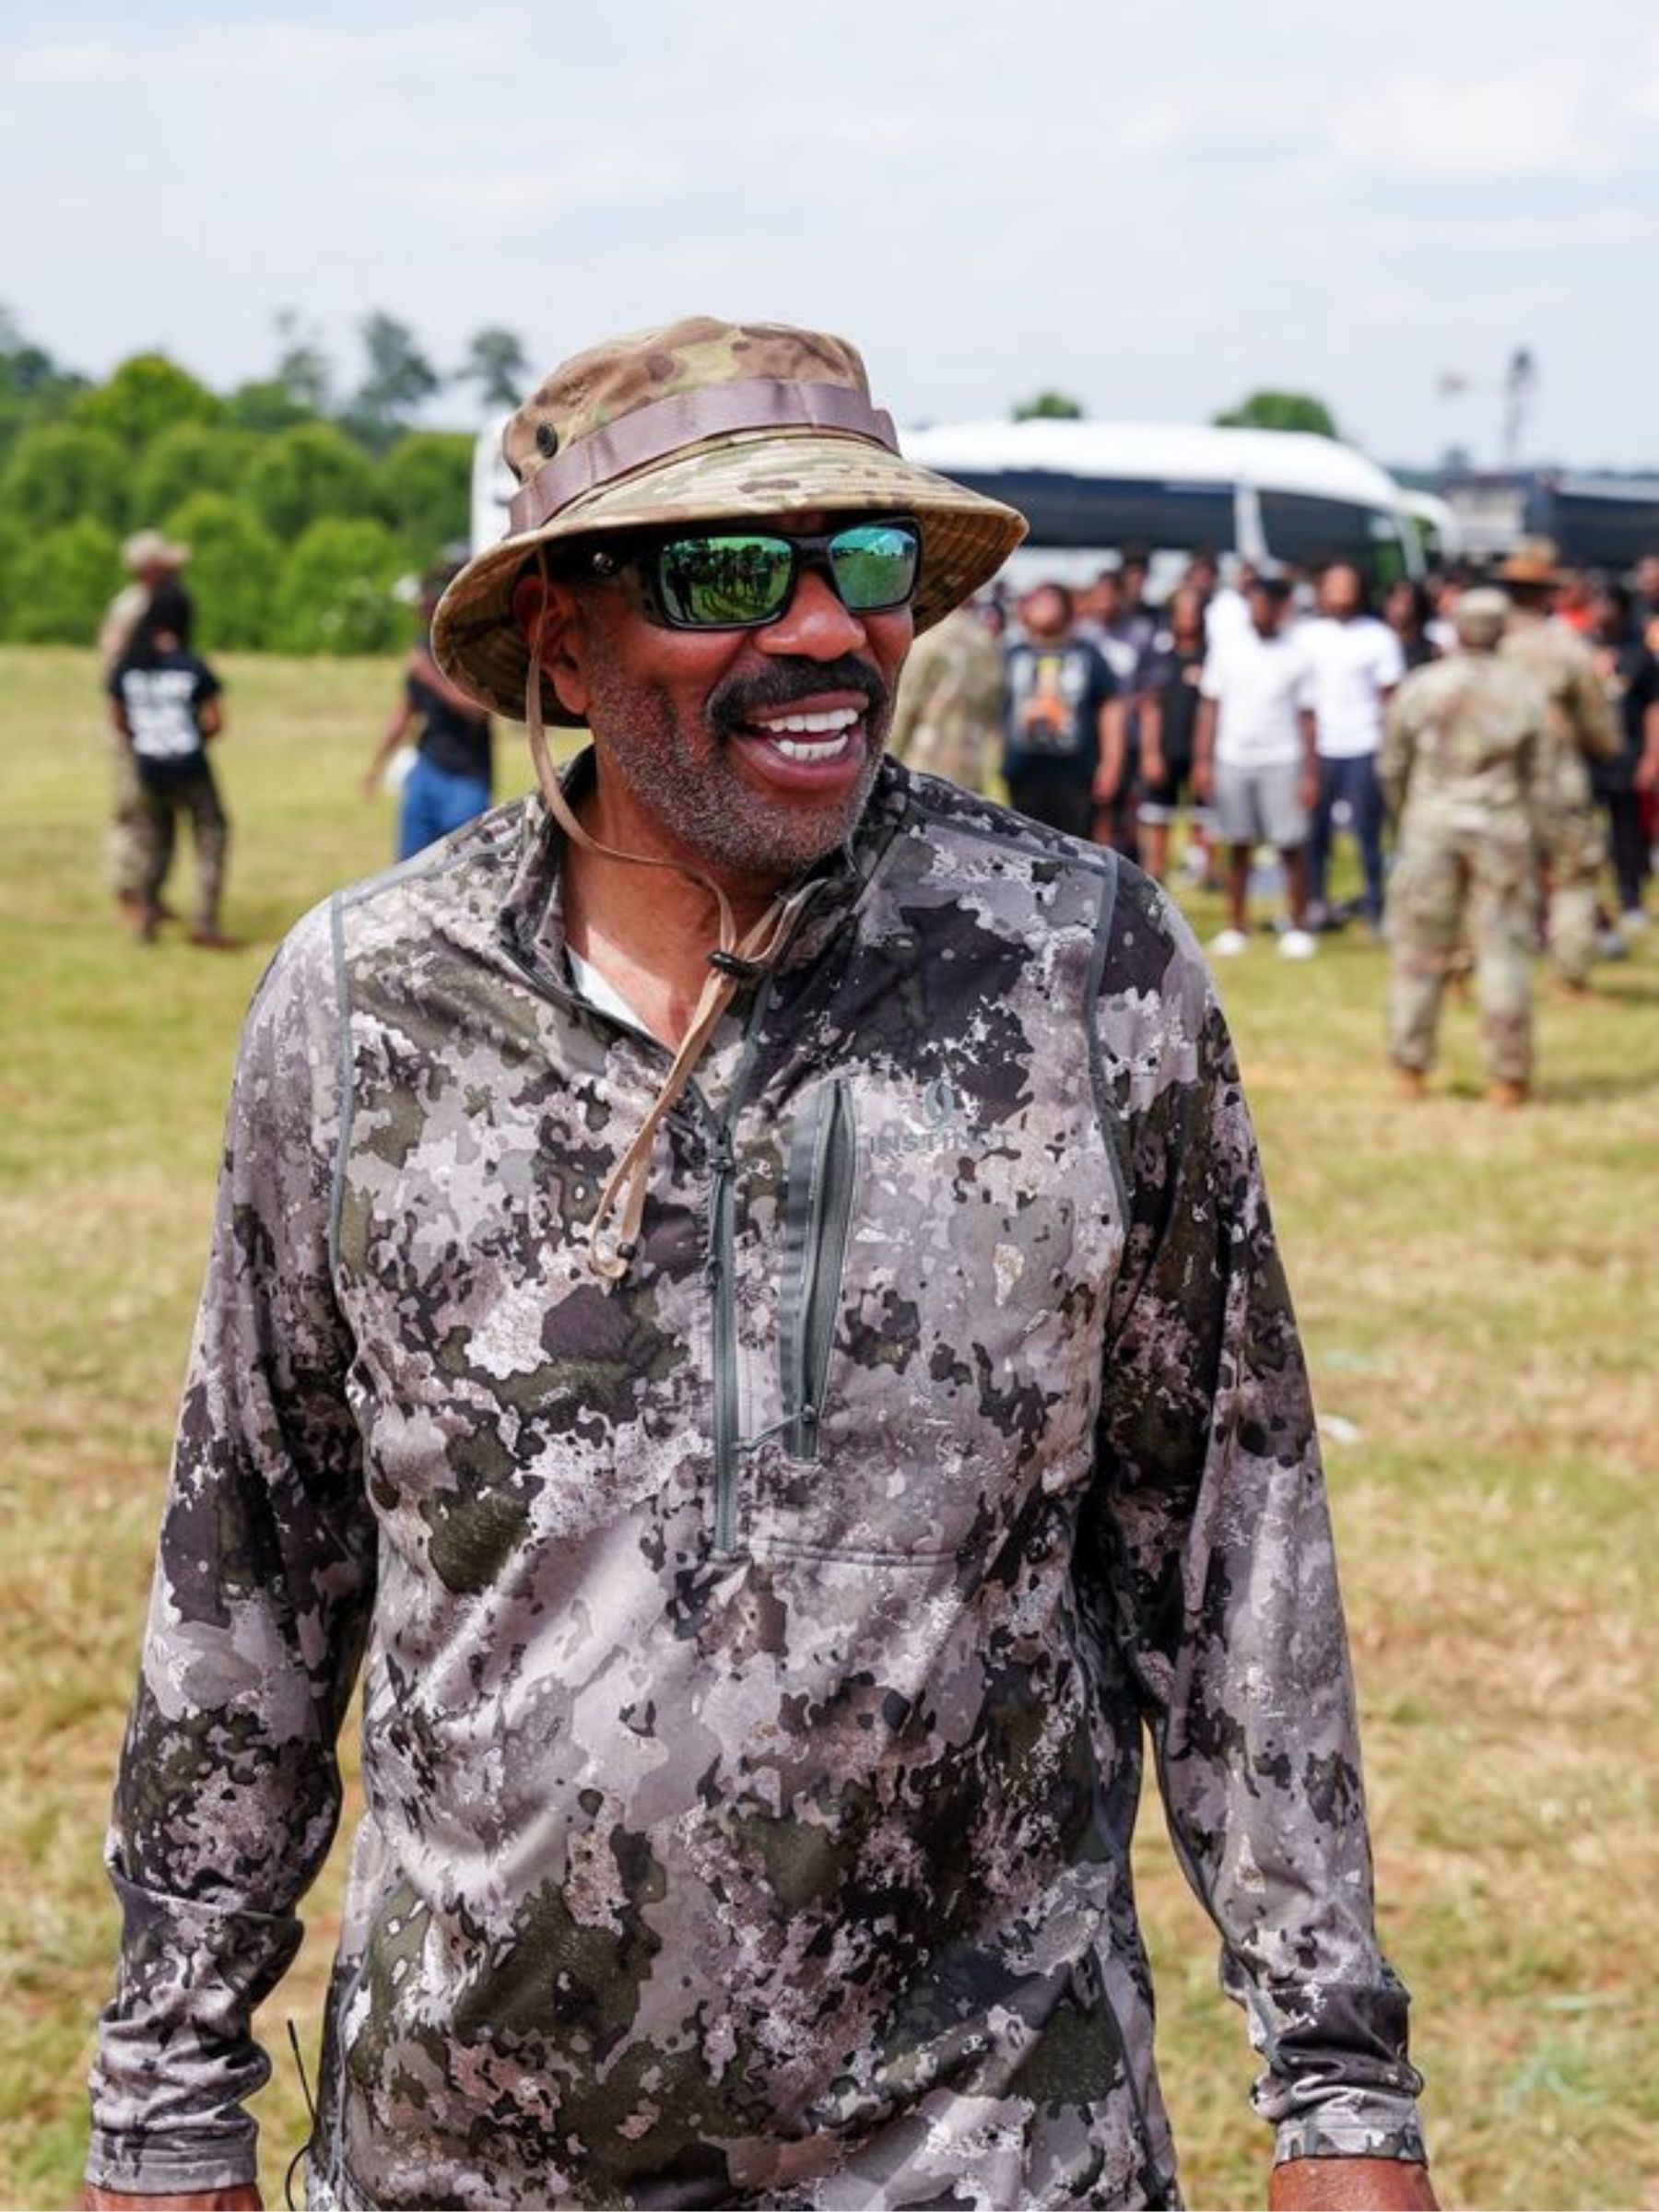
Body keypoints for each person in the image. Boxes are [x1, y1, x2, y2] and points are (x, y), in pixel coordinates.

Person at [86, 317, 1432, 2212]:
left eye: (862, 563)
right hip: (471, 2162)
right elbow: (254, 1559)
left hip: (985, 2156)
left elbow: (1232, 1549)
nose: (820, 630)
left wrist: (1341, 2098)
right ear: (563, 638)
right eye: (725, 572)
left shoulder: (1075, 967)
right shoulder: (370, 1001)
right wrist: (166, 2103)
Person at [1380, 590, 1547, 1106]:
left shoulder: (1423, 685)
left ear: (1457, 628)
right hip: (1501, 826)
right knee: (1503, 949)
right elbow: (1540, 775)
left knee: (1418, 948)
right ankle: (1508, 1076)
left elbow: (1393, 764)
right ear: (1502, 631)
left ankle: (1410, 1067)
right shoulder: (1526, 692)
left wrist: (1407, 814)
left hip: (1431, 824)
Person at [1496, 540, 1620, 993]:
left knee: (1494, 879)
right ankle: (1570, 977)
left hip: (1492, 781)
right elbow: (1598, 725)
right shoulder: (1564, 648)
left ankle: (1476, 970)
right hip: (1555, 779)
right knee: (1573, 875)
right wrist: (1608, 748)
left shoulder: (1484, 644)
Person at [1193, 572, 1321, 957]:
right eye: (1253, 603)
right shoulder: (1227, 650)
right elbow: (1210, 707)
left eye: (1266, 604)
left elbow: (1308, 717)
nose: (1258, 611)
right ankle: (1236, 926)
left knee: (1290, 846)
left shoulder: (1298, 655)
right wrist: (1203, 761)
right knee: (1238, 844)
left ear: (1282, 608)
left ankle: (1297, 926)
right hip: (1233, 758)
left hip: (1283, 759)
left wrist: (1311, 773)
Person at [106, 585, 230, 947]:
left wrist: (145, 739)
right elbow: (216, 721)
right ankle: (205, 920)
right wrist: (193, 736)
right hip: (189, 764)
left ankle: (147, 920)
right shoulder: (190, 664)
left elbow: (117, 718)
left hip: (148, 765)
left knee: (154, 839)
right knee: (211, 834)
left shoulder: (131, 664)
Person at [362, 560, 495, 859]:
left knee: (465, 870)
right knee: (410, 870)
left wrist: (431, 678)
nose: (418, 607)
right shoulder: (423, 649)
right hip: (427, 771)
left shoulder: (473, 651)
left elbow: (480, 711)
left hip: (467, 780)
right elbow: (404, 713)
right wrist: (375, 769)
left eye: (424, 599)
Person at [1303, 561, 1406, 934]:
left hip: (1364, 744)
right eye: (1333, 585)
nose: (1339, 592)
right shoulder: (1306, 635)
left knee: (1367, 832)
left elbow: (1391, 695)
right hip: (1320, 747)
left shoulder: (1378, 637)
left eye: (1346, 584)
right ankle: (1316, 902)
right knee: (1314, 832)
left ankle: (1376, 904)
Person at [99, 529, 193, 933]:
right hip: (136, 727)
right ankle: (130, 893)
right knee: (134, 811)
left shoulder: (151, 602)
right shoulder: (134, 607)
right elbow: (116, 670)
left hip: (153, 725)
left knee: (157, 814)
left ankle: (150, 893)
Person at [999, 580, 1121, 836]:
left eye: (1050, 600)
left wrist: (1111, 763)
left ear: (1066, 609)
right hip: (1024, 770)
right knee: (1023, 843)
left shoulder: (1088, 655)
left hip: (1074, 773)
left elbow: (1111, 707)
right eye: (1038, 601)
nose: (1043, 607)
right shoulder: (1012, 654)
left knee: (1074, 845)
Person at [1587, 582, 1659, 933]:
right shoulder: (1581, 649)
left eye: (1607, 603)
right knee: (1583, 834)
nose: (1601, 611)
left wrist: (1652, 756)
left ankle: (1630, 898)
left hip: (1626, 754)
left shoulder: (1638, 653)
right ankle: (1591, 909)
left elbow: (1654, 708)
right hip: (1586, 757)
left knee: (1627, 832)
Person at [886, 598, 1003, 792]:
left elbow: (904, 707)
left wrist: (885, 763)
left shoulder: (928, 637)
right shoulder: (985, 641)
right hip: (970, 765)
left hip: (923, 766)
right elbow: (992, 708)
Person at [1136, 582, 1208, 883]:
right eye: (1182, 612)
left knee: (1203, 814)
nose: (1188, 618)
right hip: (1166, 748)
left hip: (1201, 750)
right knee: (1158, 813)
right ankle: (1156, 872)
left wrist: (1206, 758)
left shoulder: (1211, 657)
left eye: (1193, 611)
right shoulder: (1159, 657)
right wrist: (1150, 752)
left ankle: (1204, 873)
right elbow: (1149, 707)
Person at [1383, 579, 1439, 674]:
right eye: (1394, 601)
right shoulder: (1376, 646)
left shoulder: (1432, 652)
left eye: (1405, 603)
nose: (1397, 609)